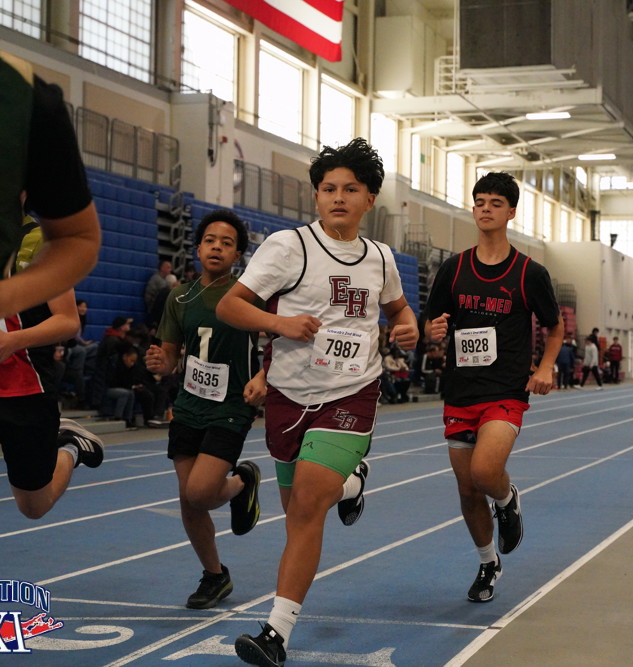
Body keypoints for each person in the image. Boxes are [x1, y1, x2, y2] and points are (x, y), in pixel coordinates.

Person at [0, 4, 101, 663]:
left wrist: (3, 304)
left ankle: (69, 450)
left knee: (31, 503)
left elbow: (79, 244)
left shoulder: (25, 100)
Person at [218, 138, 418, 666]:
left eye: (350, 189)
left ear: (369, 199)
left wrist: (408, 327)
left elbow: (400, 311)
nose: (338, 198)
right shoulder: (288, 247)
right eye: (329, 189)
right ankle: (351, 482)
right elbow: (231, 306)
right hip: (289, 395)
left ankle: (275, 633)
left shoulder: (380, 257)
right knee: (297, 512)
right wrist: (279, 323)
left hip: (353, 391)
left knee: (307, 506)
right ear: (316, 196)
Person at [424, 172, 563, 606]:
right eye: (480, 201)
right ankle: (488, 563)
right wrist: (432, 331)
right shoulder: (454, 269)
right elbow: (432, 323)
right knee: (467, 491)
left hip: (505, 391)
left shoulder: (529, 273)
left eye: (495, 203)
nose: (485, 208)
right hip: (461, 390)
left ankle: (507, 498)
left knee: (485, 473)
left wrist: (546, 366)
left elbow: (555, 327)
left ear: (511, 212)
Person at [144, 209, 266, 610]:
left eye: (227, 243)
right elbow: (170, 356)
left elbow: (280, 342)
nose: (217, 247)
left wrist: (263, 376)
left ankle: (242, 482)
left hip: (231, 406)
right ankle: (215, 575)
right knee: (188, 499)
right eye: (210, 240)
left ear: (238, 255)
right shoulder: (179, 297)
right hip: (189, 404)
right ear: (197, 249)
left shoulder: (250, 295)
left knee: (200, 492)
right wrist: (161, 363)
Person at [0, 217, 104, 520]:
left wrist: (13, 341)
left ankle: (70, 447)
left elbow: (68, 321)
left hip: (26, 389)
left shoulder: (43, 242)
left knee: (33, 506)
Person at [63, 299, 97, 406]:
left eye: (85, 306)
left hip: (76, 344)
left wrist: (84, 343)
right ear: (75, 307)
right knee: (81, 351)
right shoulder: (70, 317)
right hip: (68, 345)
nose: (83, 309)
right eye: (81, 306)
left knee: (95, 347)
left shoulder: (83, 319)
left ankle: (86, 370)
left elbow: (78, 336)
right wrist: (83, 343)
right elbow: (73, 336)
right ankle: (76, 370)